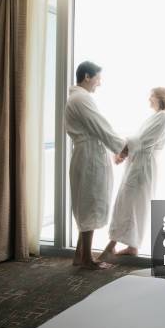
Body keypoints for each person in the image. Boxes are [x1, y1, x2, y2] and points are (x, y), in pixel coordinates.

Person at [65, 61, 128, 269]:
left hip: (86, 154)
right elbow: (100, 126)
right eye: (98, 78)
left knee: (86, 205)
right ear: (86, 77)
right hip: (89, 157)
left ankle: (80, 255)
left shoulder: (76, 98)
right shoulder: (81, 98)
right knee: (90, 205)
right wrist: (121, 147)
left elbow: (98, 127)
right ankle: (86, 260)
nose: (99, 83)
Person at [101, 87, 165, 258]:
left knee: (131, 204)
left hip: (143, 167)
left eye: (151, 96)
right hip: (139, 164)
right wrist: (124, 151)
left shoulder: (164, 117)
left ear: (161, 97)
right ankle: (127, 245)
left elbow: (142, 141)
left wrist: (122, 150)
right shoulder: (158, 117)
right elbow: (139, 140)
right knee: (127, 203)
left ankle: (119, 245)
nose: (149, 99)